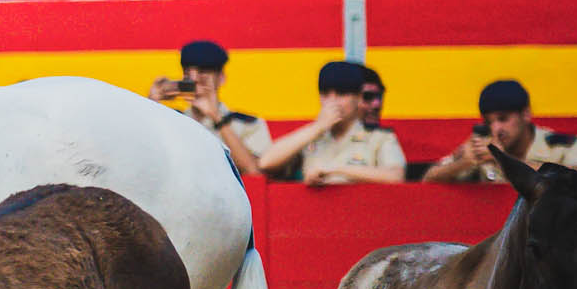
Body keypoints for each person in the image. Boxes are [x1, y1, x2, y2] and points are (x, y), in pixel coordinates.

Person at [256, 58, 407, 186]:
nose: (332, 101)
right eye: (325, 94)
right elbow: (265, 162)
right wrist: (318, 127)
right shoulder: (311, 136)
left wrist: (333, 169)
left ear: (359, 98)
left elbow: (395, 176)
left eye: (342, 94)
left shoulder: (379, 138)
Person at [426, 77, 577, 181]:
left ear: (526, 114)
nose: (496, 129)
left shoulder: (562, 146)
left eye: (503, 119)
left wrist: (506, 162)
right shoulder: (483, 146)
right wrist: (463, 164)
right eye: (489, 122)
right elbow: (429, 179)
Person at [150, 37, 269, 177]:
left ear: (221, 78)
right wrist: (151, 104)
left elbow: (253, 171)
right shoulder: (171, 119)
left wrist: (217, 117)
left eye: (203, 72)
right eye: (188, 73)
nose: (194, 79)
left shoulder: (248, 124)